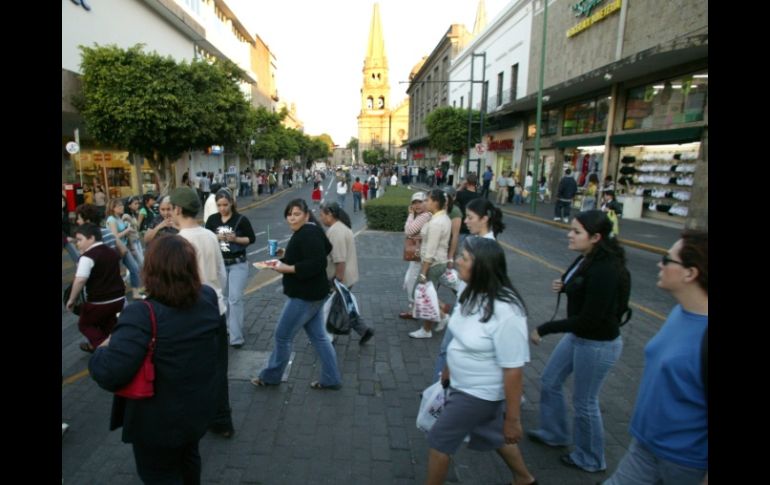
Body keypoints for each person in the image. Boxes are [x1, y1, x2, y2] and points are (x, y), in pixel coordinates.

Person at [88, 235, 222, 484]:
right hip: (197, 410)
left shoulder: (142, 313)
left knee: (159, 473)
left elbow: (109, 372)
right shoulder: (206, 298)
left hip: (157, 423)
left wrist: (103, 348)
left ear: (150, 270)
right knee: (189, 459)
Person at [426, 237, 536, 485]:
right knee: (492, 434)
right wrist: (448, 368)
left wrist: (513, 420)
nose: (457, 261)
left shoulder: (507, 311)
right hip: (461, 384)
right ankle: (524, 479)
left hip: (479, 393)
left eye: (464, 258)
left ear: (482, 266)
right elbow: (461, 338)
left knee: (439, 441)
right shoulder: (471, 292)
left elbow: (513, 370)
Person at [603, 231, 708, 485]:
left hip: (684, 462)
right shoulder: (679, 312)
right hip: (645, 446)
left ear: (690, 273)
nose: (659, 264)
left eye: (667, 259)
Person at [528, 210, 627, 473]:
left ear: (595, 237)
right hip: (580, 337)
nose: (569, 235)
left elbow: (590, 319)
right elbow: (576, 284)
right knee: (549, 381)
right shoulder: (587, 258)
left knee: (584, 402)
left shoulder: (605, 268)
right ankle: (555, 433)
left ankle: (591, 458)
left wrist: (545, 328)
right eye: (571, 229)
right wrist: (566, 286)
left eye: (576, 232)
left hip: (597, 344)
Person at [251, 199, 343, 390]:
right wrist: (286, 254)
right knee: (319, 338)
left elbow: (317, 263)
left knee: (282, 336)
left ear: (307, 215)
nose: (292, 218)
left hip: (305, 296)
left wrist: (289, 268)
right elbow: (324, 249)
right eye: (289, 214)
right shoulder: (310, 231)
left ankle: (271, 376)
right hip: (315, 294)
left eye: (297, 214)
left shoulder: (307, 233)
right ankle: (331, 378)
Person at [171, 186, 234, 439]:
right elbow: (221, 273)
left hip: (190, 314)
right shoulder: (209, 235)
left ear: (177, 209)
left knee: (190, 372)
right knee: (218, 369)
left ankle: (193, 421)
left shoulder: (178, 242)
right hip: (216, 308)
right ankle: (222, 420)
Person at [434, 197, 505, 377]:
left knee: (448, 350)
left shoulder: (487, 248)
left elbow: (491, 287)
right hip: (465, 303)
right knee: (448, 350)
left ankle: (438, 393)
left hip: (471, 308)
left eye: (470, 217)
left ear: (484, 219)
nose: (466, 221)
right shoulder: (477, 241)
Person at [205, 189, 256, 348]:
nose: (222, 208)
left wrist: (236, 238)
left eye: (225, 205)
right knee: (223, 299)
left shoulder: (241, 219)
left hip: (238, 264)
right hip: (220, 264)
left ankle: (236, 337)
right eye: (219, 205)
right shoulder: (213, 220)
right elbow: (206, 238)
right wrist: (216, 237)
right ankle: (227, 327)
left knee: (235, 299)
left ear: (232, 203)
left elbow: (251, 239)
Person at [318, 201, 374, 345]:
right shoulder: (341, 227)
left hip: (340, 279)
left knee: (328, 309)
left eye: (322, 215)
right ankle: (364, 330)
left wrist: (337, 281)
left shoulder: (336, 232)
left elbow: (339, 259)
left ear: (330, 214)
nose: (321, 218)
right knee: (344, 306)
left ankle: (328, 337)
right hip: (346, 278)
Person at [65, 223, 126, 353]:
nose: (78, 244)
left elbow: (80, 279)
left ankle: (104, 348)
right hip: (119, 298)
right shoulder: (111, 251)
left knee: (84, 324)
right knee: (109, 323)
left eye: (80, 240)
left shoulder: (88, 257)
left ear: (91, 238)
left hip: (100, 301)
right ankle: (121, 344)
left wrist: (71, 300)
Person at [409, 189, 452, 339]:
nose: (425, 203)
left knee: (425, 295)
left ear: (435, 202)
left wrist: (423, 272)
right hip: (438, 262)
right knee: (426, 294)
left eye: (427, 200)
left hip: (433, 264)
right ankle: (441, 315)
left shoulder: (436, 222)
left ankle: (427, 329)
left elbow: (431, 251)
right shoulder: (442, 218)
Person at [399, 192, 432, 321]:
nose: (417, 205)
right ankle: (414, 308)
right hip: (418, 255)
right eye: (414, 202)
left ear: (426, 202)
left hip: (419, 255)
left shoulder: (423, 216)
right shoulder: (423, 215)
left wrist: (411, 214)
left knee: (411, 281)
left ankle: (417, 309)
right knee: (410, 280)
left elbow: (408, 230)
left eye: (420, 202)